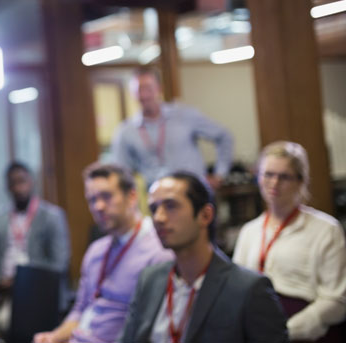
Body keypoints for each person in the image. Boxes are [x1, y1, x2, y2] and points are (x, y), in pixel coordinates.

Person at [120, 171, 288, 343]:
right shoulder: (150, 279)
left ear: (205, 215)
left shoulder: (248, 289)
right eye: (154, 209)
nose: (158, 218)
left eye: (171, 206)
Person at [33, 163, 172, 343]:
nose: (98, 206)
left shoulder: (158, 250)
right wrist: (53, 337)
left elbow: (146, 328)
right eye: (92, 199)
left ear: (132, 196)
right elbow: (80, 310)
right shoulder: (96, 250)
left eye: (106, 196)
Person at [233, 141, 346, 342]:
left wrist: (286, 331)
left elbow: (337, 299)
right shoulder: (249, 231)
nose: (274, 183)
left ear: (300, 181)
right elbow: (235, 289)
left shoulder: (326, 229)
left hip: (304, 332)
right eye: (268, 174)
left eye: (284, 176)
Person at [0, 161, 70, 334]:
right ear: (7, 187)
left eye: (22, 181)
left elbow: (59, 264)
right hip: (2, 285)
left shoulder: (52, 217)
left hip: (36, 288)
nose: (18, 188)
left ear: (32, 182)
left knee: (4, 320)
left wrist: (22, 280)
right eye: (13, 183)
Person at [109, 68, 234, 188]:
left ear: (159, 88)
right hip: (156, 196)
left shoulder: (184, 115)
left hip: (194, 191)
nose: (144, 95)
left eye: (148, 88)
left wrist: (220, 174)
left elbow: (224, 136)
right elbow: (122, 172)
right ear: (132, 93)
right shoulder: (125, 131)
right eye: (138, 90)